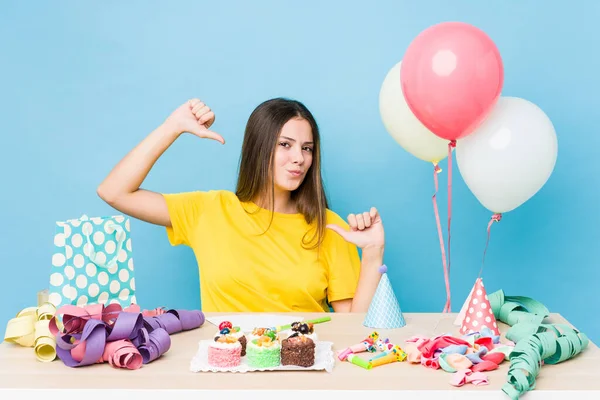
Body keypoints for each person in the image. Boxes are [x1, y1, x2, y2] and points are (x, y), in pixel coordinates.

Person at [97, 98, 386, 313]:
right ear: (258, 148)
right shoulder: (209, 210)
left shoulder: (328, 225)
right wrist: (173, 127)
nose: (299, 157)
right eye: (285, 144)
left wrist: (373, 252)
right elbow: (114, 191)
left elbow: (353, 329)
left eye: (307, 148)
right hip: (227, 374)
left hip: (303, 374)